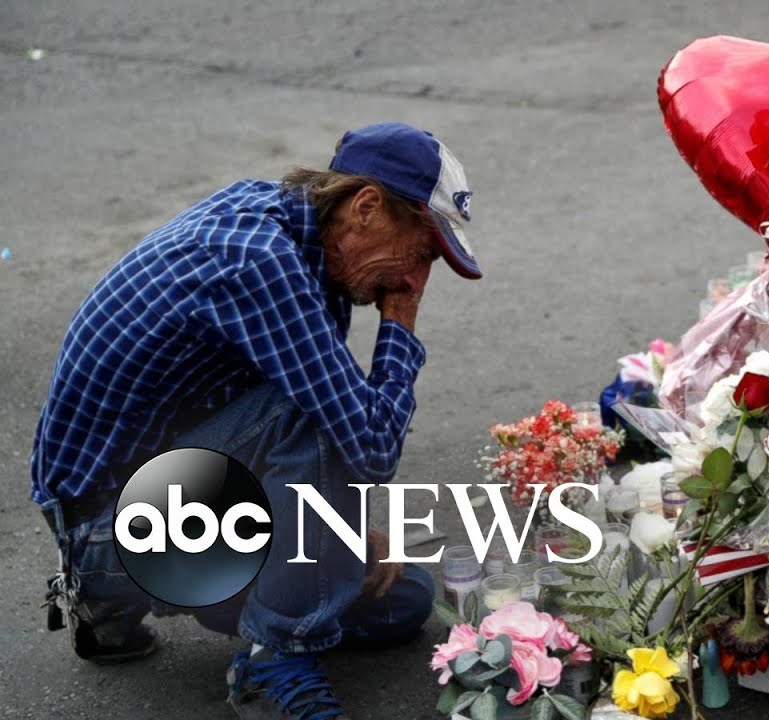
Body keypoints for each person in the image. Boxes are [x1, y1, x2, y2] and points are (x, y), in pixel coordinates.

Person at [31, 122, 481, 719]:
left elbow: (337, 436)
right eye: (420, 252)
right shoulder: (259, 261)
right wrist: (400, 322)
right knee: (307, 414)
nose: (415, 278)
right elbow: (366, 444)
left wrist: (338, 533)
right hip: (107, 532)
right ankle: (275, 660)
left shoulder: (307, 240)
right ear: (367, 206)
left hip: (176, 491)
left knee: (405, 601)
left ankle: (120, 614)